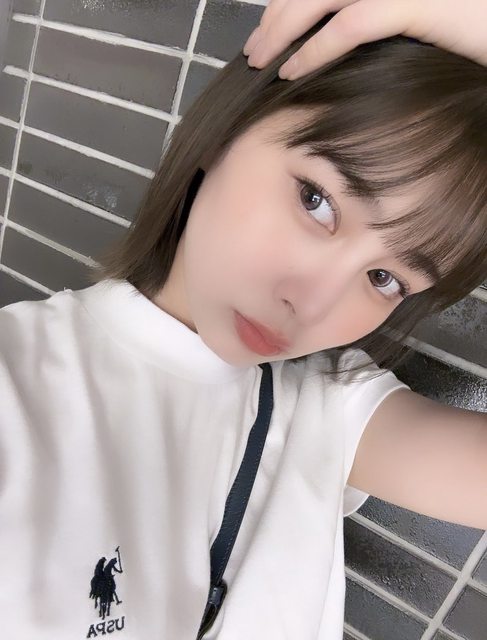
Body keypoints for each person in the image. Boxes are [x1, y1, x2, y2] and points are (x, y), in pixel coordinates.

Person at [0, 5, 486, 640]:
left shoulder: (330, 408)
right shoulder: (17, 380)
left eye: (385, 278)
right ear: (224, 131)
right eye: (317, 201)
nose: (312, 304)